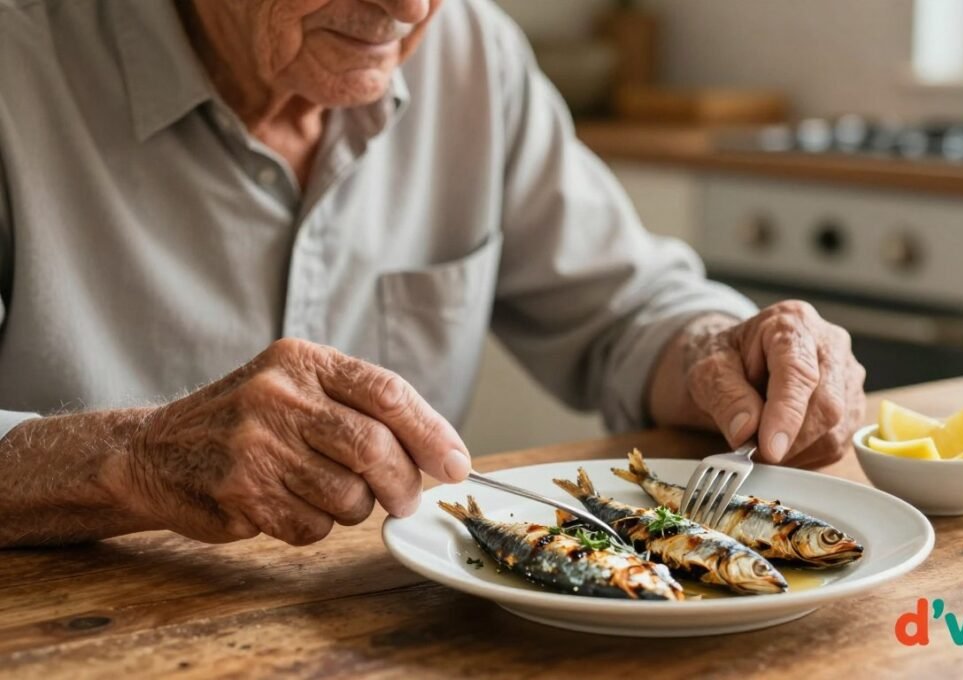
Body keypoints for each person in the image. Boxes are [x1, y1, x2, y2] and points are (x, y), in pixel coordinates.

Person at [0, 0, 865, 548]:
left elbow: (629, 309)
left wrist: (728, 353)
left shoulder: (473, 51)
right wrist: (133, 458)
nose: (410, 8)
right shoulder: (18, 60)